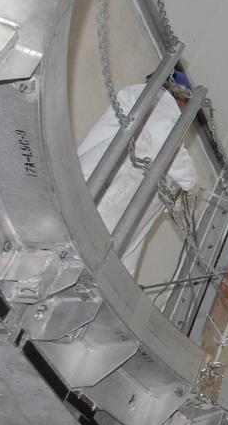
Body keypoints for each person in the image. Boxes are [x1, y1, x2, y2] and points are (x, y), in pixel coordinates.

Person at [76, 71, 199, 273]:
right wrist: (190, 182)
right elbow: (163, 138)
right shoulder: (158, 100)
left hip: (105, 209)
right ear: (180, 94)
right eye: (187, 106)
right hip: (102, 201)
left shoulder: (145, 103)